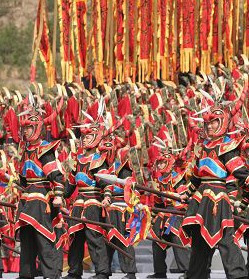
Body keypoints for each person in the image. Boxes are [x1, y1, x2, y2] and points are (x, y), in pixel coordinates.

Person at [180, 104, 249, 279]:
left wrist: (244, 200)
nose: (209, 126)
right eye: (207, 123)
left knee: (226, 241)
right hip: (200, 200)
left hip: (218, 199)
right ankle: (196, 276)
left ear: (223, 122)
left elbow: (242, 175)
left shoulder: (227, 147)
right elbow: (196, 177)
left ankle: (238, 276)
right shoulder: (202, 147)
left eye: (214, 122)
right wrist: (186, 194)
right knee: (199, 243)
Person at [15, 99, 65, 279]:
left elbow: (57, 178)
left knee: (44, 240)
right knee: (27, 241)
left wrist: (58, 196)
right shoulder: (26, 150)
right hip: (26, 202)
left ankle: (50, 275)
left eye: (29, 127)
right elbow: (22, 179)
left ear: (37, 128)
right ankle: (26, 274)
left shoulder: (45, 149)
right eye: (24, 128)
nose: (26, 131)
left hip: (40, 201)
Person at [63, 122, 111, 279]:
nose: (84, 139)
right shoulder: (77, 160)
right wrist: (59, 194)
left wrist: (107, 197)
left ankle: (102, 272)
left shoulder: (99, 160)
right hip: (78, 203)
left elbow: (106, 181)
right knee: (75, 238)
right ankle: (74, 271)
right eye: (83, 137)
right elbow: (70, 183)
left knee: (94, 237)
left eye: (88, 136)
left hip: (93, 202)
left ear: (96, 138)